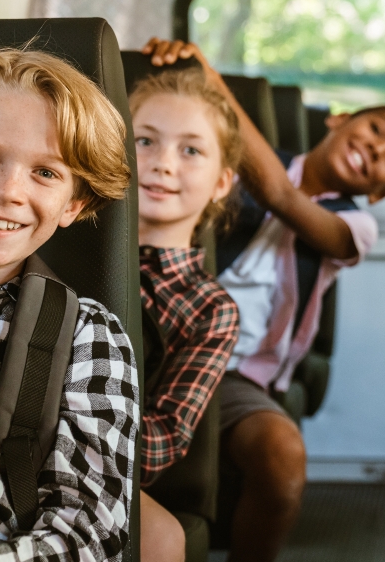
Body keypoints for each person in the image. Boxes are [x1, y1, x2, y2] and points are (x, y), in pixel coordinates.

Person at [141, 38, 385, 562]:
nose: (376, 151)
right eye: (375, 130)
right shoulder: (220, 163)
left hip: (237, 369)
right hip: (161, 330)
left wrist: (206, 74)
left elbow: (278, 193)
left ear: (384, 191)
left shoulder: (355, 225)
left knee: (282, 454)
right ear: (339, 119)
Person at [0, 48, 138, 561]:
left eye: (45, 173)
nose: (8, 191)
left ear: (74, 204)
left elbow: (86, 534)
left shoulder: (85, 337)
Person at [130, 67, 243, 561]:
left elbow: (165, 438)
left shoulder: (210, 309)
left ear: (221, 182)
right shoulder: (43, 239)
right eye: (145, 141)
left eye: (190, 149)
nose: (162, 164)